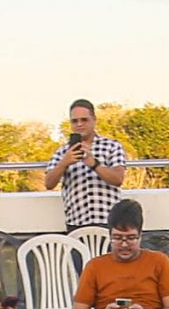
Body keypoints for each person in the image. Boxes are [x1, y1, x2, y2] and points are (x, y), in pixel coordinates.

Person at [42, 97, 128, 232]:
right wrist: (64, 163)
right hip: (77, 223)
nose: (79, 124)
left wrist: (93, 163)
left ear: (94, 120)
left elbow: (118, 179)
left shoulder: (112, 146)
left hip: (109, 222)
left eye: (84, 120)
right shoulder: (62, 152)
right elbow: (49, 183)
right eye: (75, 121)